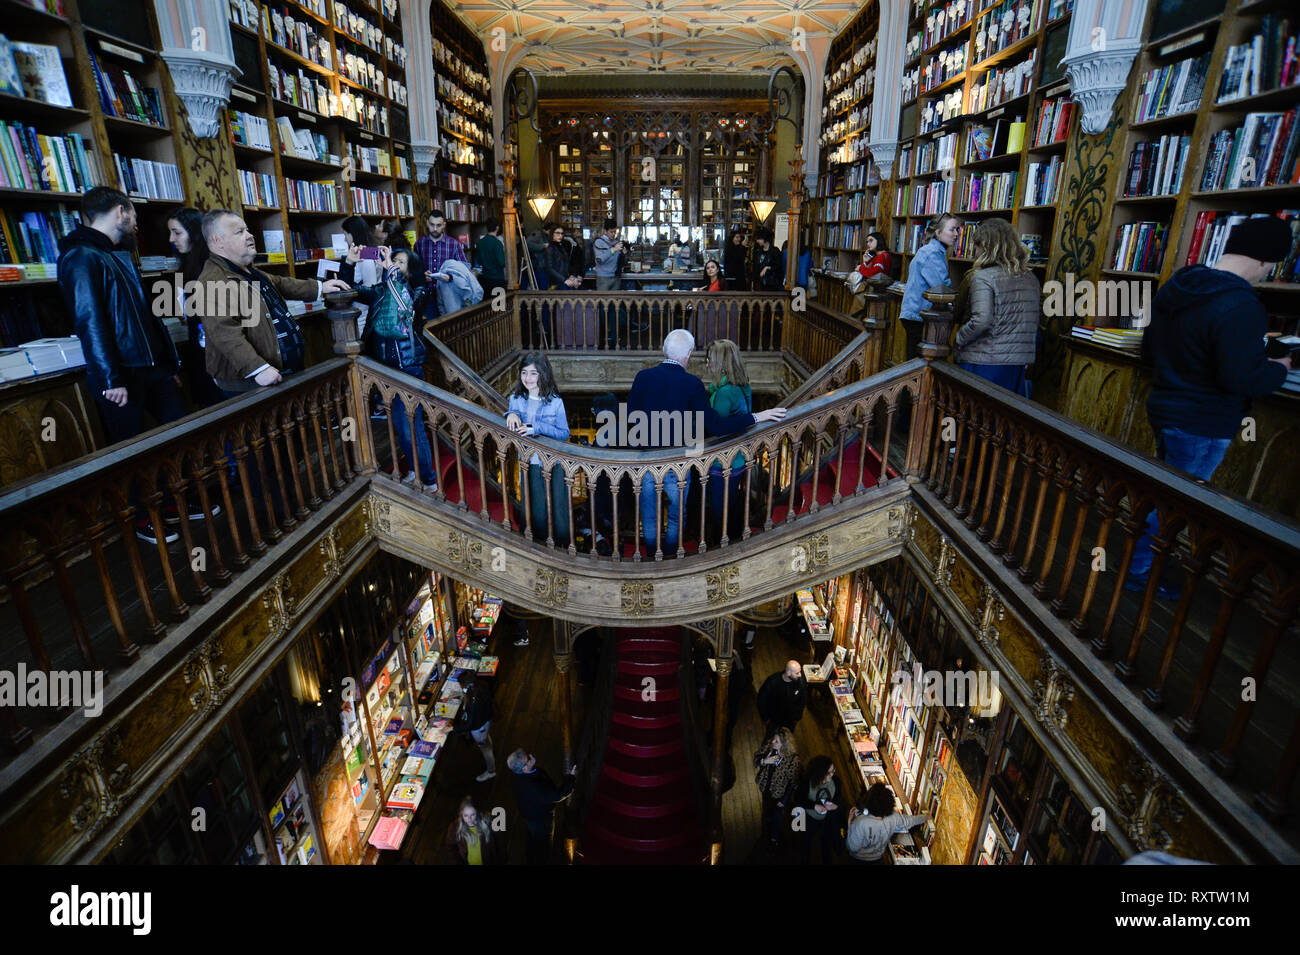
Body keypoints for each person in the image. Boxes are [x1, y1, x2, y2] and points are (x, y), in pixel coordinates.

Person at [1126, 216, 1294, 598]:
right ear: (1266, 261)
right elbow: (1241, 379)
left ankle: (1147, 560)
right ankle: (1140, 570)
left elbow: (1150, 350)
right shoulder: (1241, 305)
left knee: (1166, 492)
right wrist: (1278, 369)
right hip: (1203, 419)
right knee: (1178, 503)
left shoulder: (1179, 284)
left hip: (1165, 406)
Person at [58, 187, 186, 544]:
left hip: (152, 368)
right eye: (133, 215)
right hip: (120, 375)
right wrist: (111, 377)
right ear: (120, 211)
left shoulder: (118, 255)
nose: (135, 223)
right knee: (129, 451)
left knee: (175, 435)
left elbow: (148, 315)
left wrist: (169, 363)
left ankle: (169, 502)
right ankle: (141, 516)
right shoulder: (81, 256)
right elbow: (90, 321)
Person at [625, 328, 787, 556]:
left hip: (645, 459)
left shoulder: (643, 377)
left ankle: (652, 555)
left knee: (649, 512)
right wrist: (757, 417)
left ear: (663, 350)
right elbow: (717, 426)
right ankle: (670, 555)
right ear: (689, 354)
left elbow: (631, 417)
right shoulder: (692, 384)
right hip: (678, 462)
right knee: (676, 513)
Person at [197, 210, 349, 395]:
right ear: (217, 241)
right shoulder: (213, 281)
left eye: (247, 230)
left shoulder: (244, 270)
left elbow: (280, 282)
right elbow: (225, 333)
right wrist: (257, 368)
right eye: (239, 232)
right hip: (251, 384)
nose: (250, 235)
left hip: (280, 375)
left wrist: (320, 287)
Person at [350, 244, 437, 488]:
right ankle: (416, 470)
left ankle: (428, 481)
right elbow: (351, 292)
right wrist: (349, 262)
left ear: (411, 270)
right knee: (401, 427)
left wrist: (390, 269)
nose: (394, 265)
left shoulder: (418, 290)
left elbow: (407, 305)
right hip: (384, 367)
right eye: (393, 260)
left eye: (400, 262)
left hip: (406, 367)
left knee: (411, 427)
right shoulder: (381, 290)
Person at [953, 217, 1041, 395]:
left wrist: (959, 338)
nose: (974, 252)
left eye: (976, 247)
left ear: (985, 247)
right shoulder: (1031, 279)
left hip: (984, 361)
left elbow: (982, 321)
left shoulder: (983, 278)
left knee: (973, 415)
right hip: (1017, 364)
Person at [505, 352, 571, 547]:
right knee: (535, 509)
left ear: (543, 374)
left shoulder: (555, 402)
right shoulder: (515, 399)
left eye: (533, 373)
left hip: (554, 462)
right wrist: (510, 414)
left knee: (559, 508)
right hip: (529, 462)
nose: (528, 378)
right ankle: (537, 548)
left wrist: (537, 428)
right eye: (524, 373)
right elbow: (512, 415)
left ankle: (564, 548)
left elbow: (564, 433)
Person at [166, 206, 224, 409]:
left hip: (218, 351)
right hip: (198, 348)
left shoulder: (212, 266)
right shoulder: (185, 267)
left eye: (177, 232)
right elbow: (184, 310)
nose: (172, 239)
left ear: (195, 232)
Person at [704, 339, 751, 544]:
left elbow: (714, 428)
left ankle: (721, 547)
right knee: (729, 504)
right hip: (738, 458)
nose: (707, 364)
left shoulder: (724, 393)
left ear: (722, 363)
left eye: (710, 360)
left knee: (720, 509)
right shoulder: (741, 385)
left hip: (723, 461)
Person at [900, 212, 959, 359]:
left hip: (915, 315)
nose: (956, 234)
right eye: (952, 229)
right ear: (938, 233)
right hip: (920, 318)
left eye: (957, 229)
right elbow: (942, 289)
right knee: (919, 366)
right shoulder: (933, 253)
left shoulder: (930, 250)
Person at [507, 748, 577, 865]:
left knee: (532, 837)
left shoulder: (517, 775)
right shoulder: (533, 787)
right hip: (541, 819)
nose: (531, 757)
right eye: (528, 759)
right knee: (544, 843)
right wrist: (571, 778)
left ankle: (530, 855)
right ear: (524, 768)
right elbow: (557, 795)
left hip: (529, 813)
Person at [846, 781, 926, 864]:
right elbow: (910, 821)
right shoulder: (894, 817)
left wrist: (850, 823)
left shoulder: (860, 822)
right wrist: (925, 817)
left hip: (858, 860)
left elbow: (852, 847)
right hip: (877, 859)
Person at [413, 209, 468, 317]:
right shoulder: (419, 243)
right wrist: (421, 275)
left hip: (449, 294)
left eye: (438, 225)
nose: (434, 229)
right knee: (430, 328)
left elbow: (464, 269)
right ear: (427, 223)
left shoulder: (453, 244)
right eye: (432, 225)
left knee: (450, 327)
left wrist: (450, 277)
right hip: (426, 295)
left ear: (444, 225)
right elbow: (413, 269)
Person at [754, 726, 800, 847]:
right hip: (765, 788)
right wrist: (765, 761)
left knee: (777, 816)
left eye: (776, 741)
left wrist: (784, 800)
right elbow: (756, 758)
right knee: (765, 812)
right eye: (774, 739)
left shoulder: (792, 760)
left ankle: (774, 838)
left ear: (784, 745)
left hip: (779, 795)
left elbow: (793, 782)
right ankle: (764, 834)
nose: (772, 742)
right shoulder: (770, 747)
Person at [800, 756, 845, 865]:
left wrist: (835, 806)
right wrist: (814, 806)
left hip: (828, 819)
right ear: (819, 773)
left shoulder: (836, 781)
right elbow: (799, 800)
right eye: (828, 773)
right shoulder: (807, 782)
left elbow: (839, 800)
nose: (832, 774)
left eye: (833, 771)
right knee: (806, 842)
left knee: (826, 844)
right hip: (809, 818)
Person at [456, 670, 496, 782]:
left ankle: (491, 771)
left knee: (484, 748)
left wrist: (453, 728)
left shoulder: (473, 701)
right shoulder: (481, 686)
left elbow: (471, 724)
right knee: (486, 740)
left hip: (480, 728)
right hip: (486, 720)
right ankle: (489, 745)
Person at [443, 796, 503, 865]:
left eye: (472, 815)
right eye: (466, 815)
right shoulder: (455, 828)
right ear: (461, 815)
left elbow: (499, 842)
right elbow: (450, 847)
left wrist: (501, 860)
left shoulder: (488, 823)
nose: (469, 819)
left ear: (477, 813)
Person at [757, 659, 807, 731]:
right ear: (788, 673)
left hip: (790, 722)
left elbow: (802, 701)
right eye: (797, 673)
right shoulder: (772, 682)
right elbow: (761, 700)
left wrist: (797, 717)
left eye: (800, 672)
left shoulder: (800, 684)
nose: (800, 675)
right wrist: (765, 718)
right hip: (774, 721)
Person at [542, 223, 581, 290]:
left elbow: (566, 263)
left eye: (562, 233)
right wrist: (564, 279)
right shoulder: (550, 248)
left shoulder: (561, 246)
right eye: (557, 233)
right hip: (555, 283)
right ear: (552, 234)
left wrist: (571, 276)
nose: (560, 235)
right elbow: (549, 268)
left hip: (564, 281)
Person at [475, 218, 506, 293]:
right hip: (497, 279)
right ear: (497, 227)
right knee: (499, 304)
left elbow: (478, 261)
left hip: (485, 279)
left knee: (487, 303)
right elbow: (502, 262)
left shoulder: (480, 242)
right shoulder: (497, 243)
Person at [593, 218, 624, 292]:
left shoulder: (616, 242)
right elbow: (599, 260)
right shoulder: (598, 242)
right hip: (603, 278)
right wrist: (613, 250)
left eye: (615, 232)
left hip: (615, 277)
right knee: (603, 302)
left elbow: (619, 261)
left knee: (615, 302)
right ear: (605, 231)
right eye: (611, 232)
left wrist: (623, 254)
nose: (613, 234)